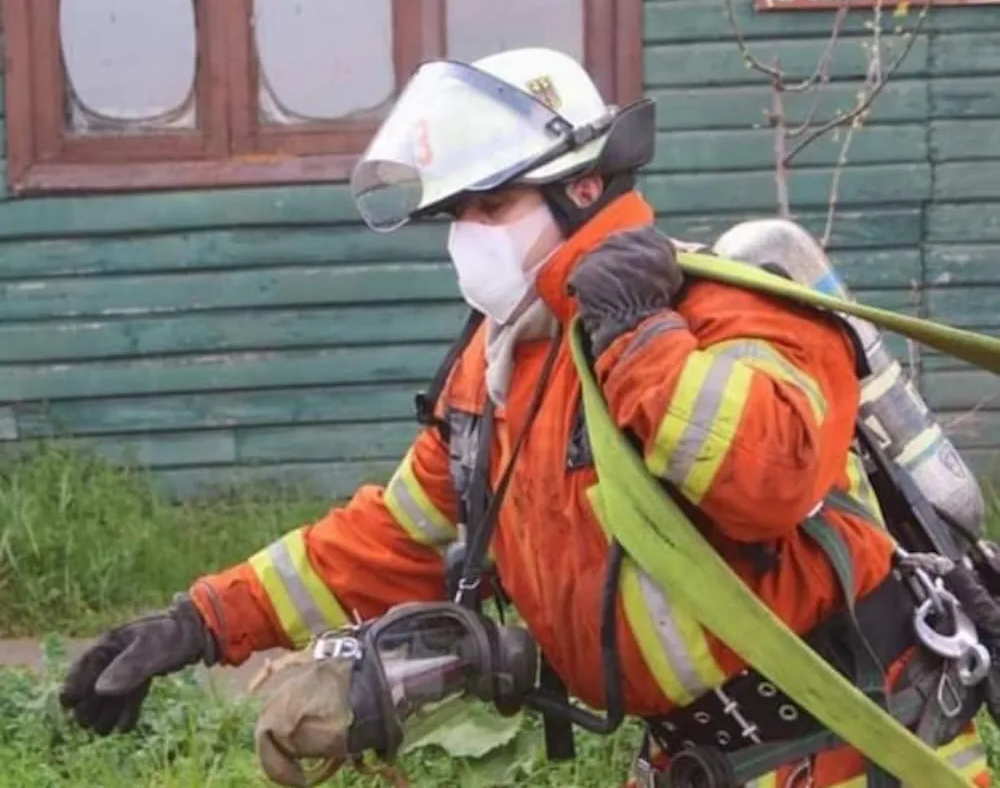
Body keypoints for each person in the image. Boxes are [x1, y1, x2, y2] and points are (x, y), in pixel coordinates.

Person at [58, 47, 990, 787]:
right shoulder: (502, 362)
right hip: (695, 760)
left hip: (857, 745)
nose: (469, 235)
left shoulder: (732, 313)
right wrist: (199, 622)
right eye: (458, 212)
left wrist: (640, 339)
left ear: (581, 186)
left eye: (491, 204)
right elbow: (394, 533)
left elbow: (771, 479)